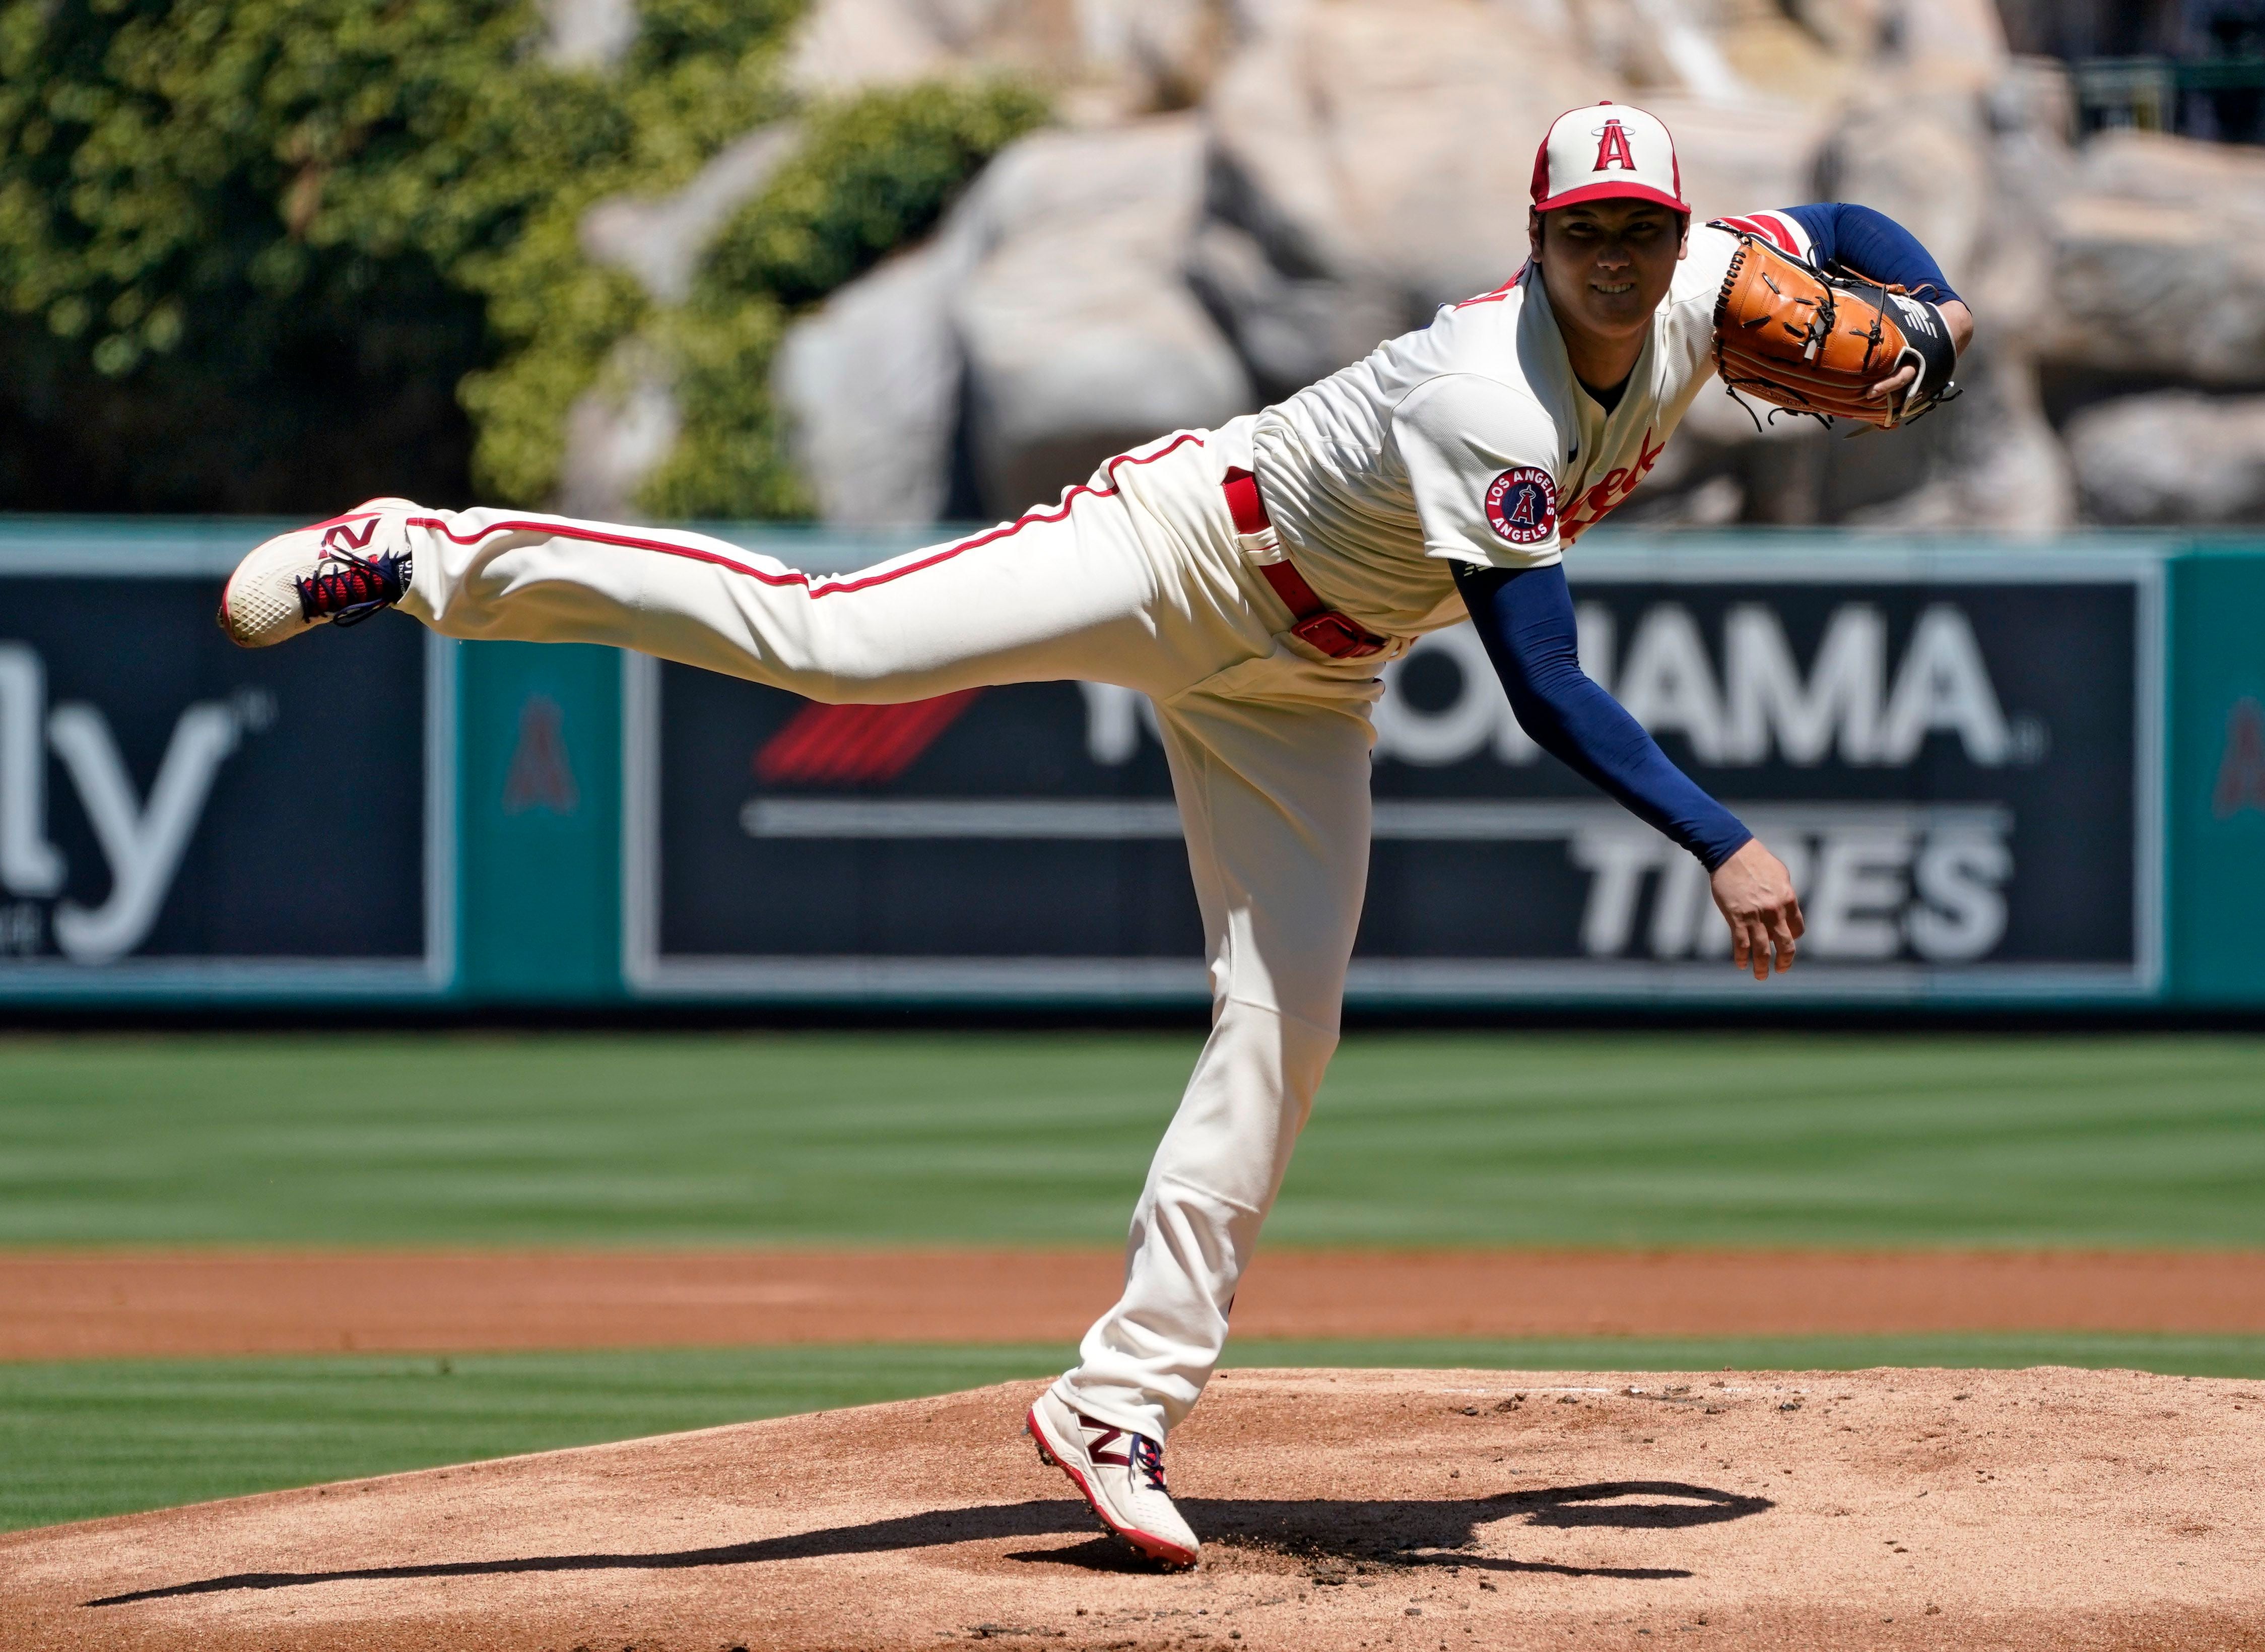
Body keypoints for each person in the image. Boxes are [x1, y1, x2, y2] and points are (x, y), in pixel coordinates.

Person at [218, 101, 1971, 1568]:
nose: (1612, 253)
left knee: (1285, 1032)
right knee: (830, 632)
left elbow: (1840, 222)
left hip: (1310, 682)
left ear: (1676, 236)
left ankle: (1116, 1404)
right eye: (1581, 226)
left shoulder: (1709, 278)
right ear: (1537, 232)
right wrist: (1719, 836)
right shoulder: (1485, 398)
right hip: (1178, 553)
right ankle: (422, 552)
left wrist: (1938, 310)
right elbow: (1545, 684)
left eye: (1637, 227)